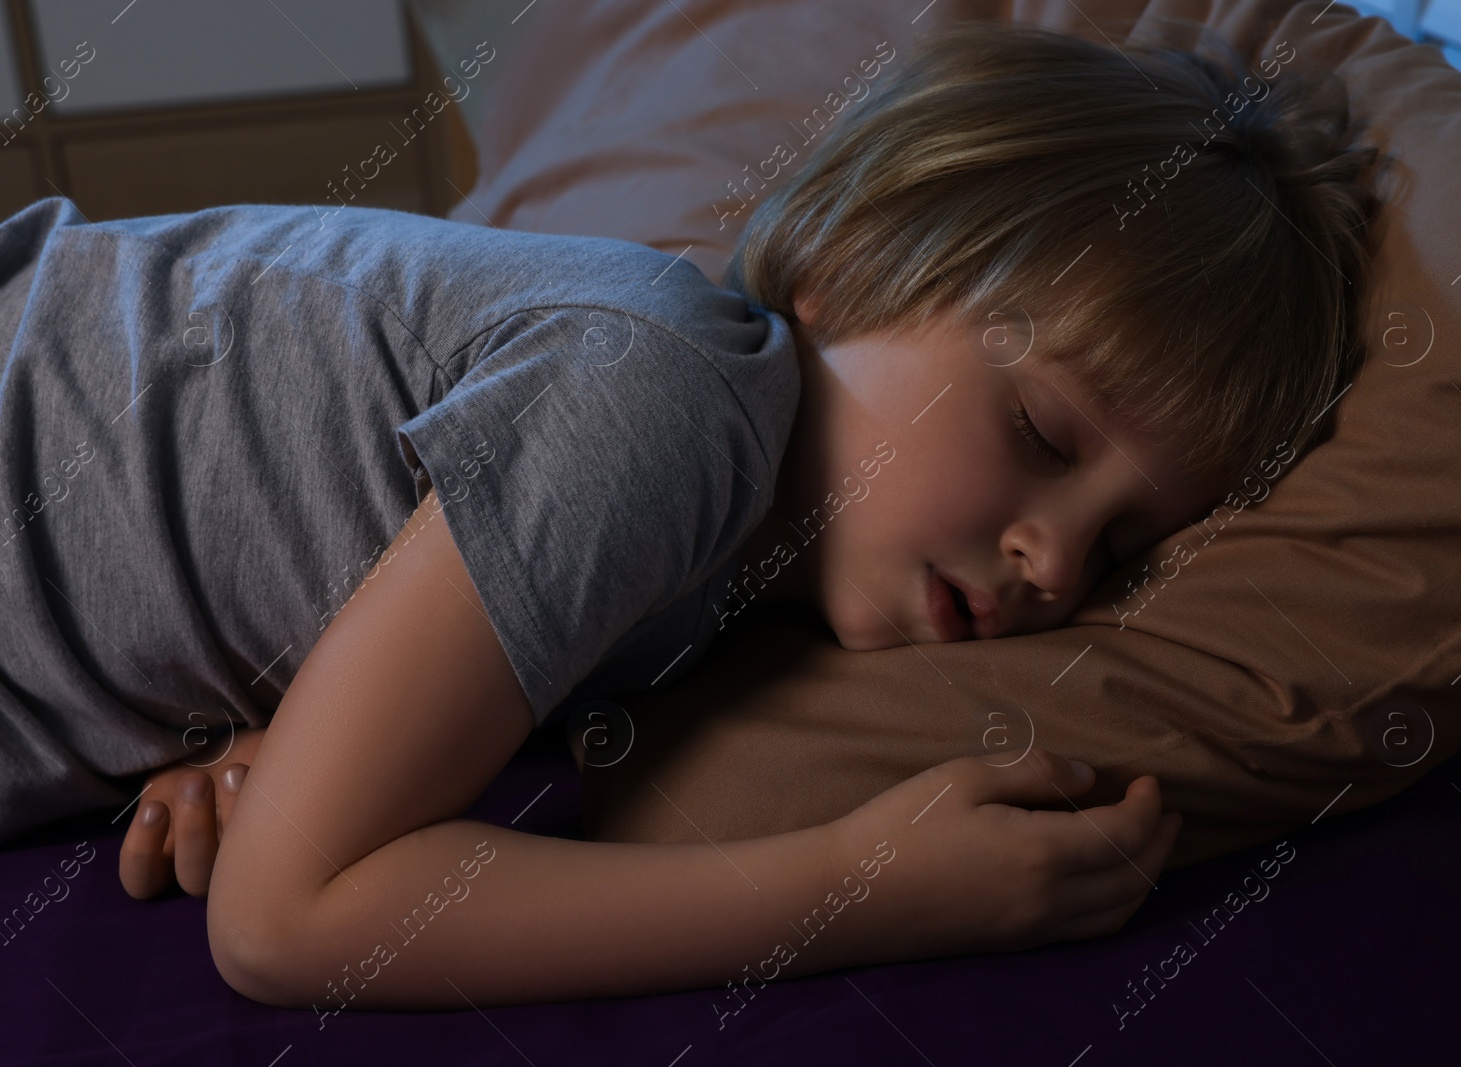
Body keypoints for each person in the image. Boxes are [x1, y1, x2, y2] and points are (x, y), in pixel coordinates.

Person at [0, 21, 1380, 1008]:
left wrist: (278, 739)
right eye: (1039, 431)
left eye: (1127, 543)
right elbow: (286, 929)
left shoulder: (720, 584)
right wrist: (866, 886)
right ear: (847, 269)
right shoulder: (667, 393)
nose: (1055, 558)